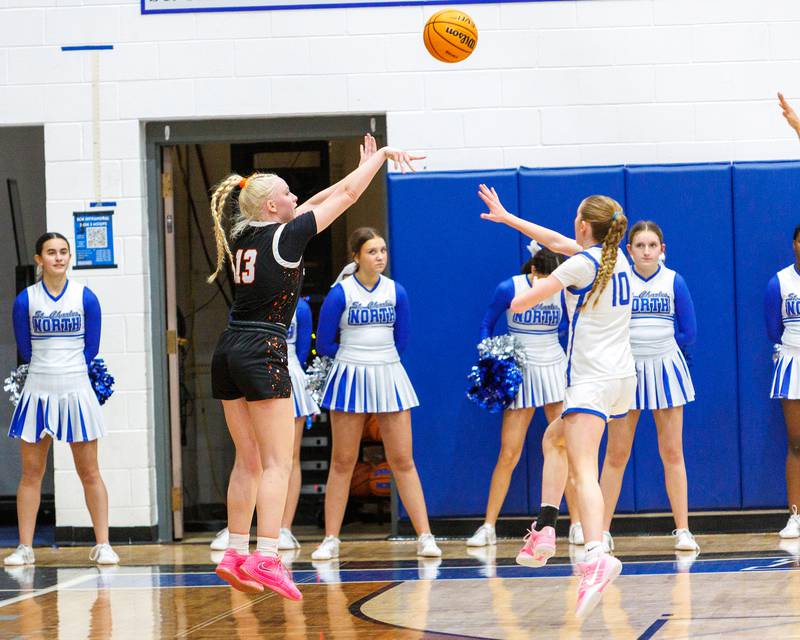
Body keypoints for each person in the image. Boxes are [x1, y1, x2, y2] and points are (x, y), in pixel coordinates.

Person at [208, 136, 422, 599]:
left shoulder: (243, 233)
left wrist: (359, 170)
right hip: (263, 348)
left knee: (246, 461)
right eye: (286, 194)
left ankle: (234, 553)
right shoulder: (286, 234)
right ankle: (266, 555)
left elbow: (324, 198)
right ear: (270, 207)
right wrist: (381, 160)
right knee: (277, 462)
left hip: (228, 348)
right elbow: (342, 199)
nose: (295, 198)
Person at [478, 185, 634, 618]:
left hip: (592, 380)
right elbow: (555, 241)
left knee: (585, 470)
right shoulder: (613, 256)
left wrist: (512, 296)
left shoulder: (582, 266)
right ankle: (546, 528)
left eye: (575, 219)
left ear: (584, 225)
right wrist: (508, 218)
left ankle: (597, 554)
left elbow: (522, 300)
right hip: (620, 377)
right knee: (553, 440)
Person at [310, 227, 441, 561]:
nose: (380, 256)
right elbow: (324, 343)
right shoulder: (340, 294)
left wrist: (381, 360)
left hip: (389, 373)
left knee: (403, 460)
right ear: (356, 256)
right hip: (349, 375)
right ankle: (330, 538)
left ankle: (425, 536)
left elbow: (403, 338)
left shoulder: (397, 292)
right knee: (342, 461)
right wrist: (355, 359)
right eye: (372, 251)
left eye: (383, 250)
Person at [4, 232, 119, 567]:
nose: (58, 257)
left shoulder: (86, 297)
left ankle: (103, 543)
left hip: (76, 391)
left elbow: (92, 348)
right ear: (39, 259)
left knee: (89, 471)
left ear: (70, 257)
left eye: (63, 252)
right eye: (51, 253)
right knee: (31, 472)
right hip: (38, 390)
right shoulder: (26, 299)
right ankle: (25, 547)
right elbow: (24, 349)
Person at [466, 244, 584, 548]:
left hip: (554, 368)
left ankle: (578, 524)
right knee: (509, 452)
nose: (548, 285)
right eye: (543, 278)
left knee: (566, 448)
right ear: (532, 271)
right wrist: (492, 357)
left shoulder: (564, 288)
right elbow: (485, 324)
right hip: (520, 370)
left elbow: (574, 328)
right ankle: (488, 526)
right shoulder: (510, 288)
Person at [599, 221, 699, 552]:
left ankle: (683, 530)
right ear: (628, 250)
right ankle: (600, 531)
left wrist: (662, 355)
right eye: (639, 245)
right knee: (616, 455)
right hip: (626, 371)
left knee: (672, 452)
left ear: (662, 250)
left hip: (666, 369)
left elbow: (688, 332)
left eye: (652, 245)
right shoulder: (620, 281)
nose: (645, 251)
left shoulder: (674, 281)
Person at [209, 297, 319, 552]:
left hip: (286, 369)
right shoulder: (247, 302)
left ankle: (284, 528)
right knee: (249, 456)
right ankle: (241, 528)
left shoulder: (300, 307)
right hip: (254, 367)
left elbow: (303, 351)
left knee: (288, 457)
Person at [766, 224, 800, 539]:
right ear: (794, 244)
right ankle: (795, 515)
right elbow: (773, 328)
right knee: (796, 442)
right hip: (792, 361)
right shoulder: (779, 281)